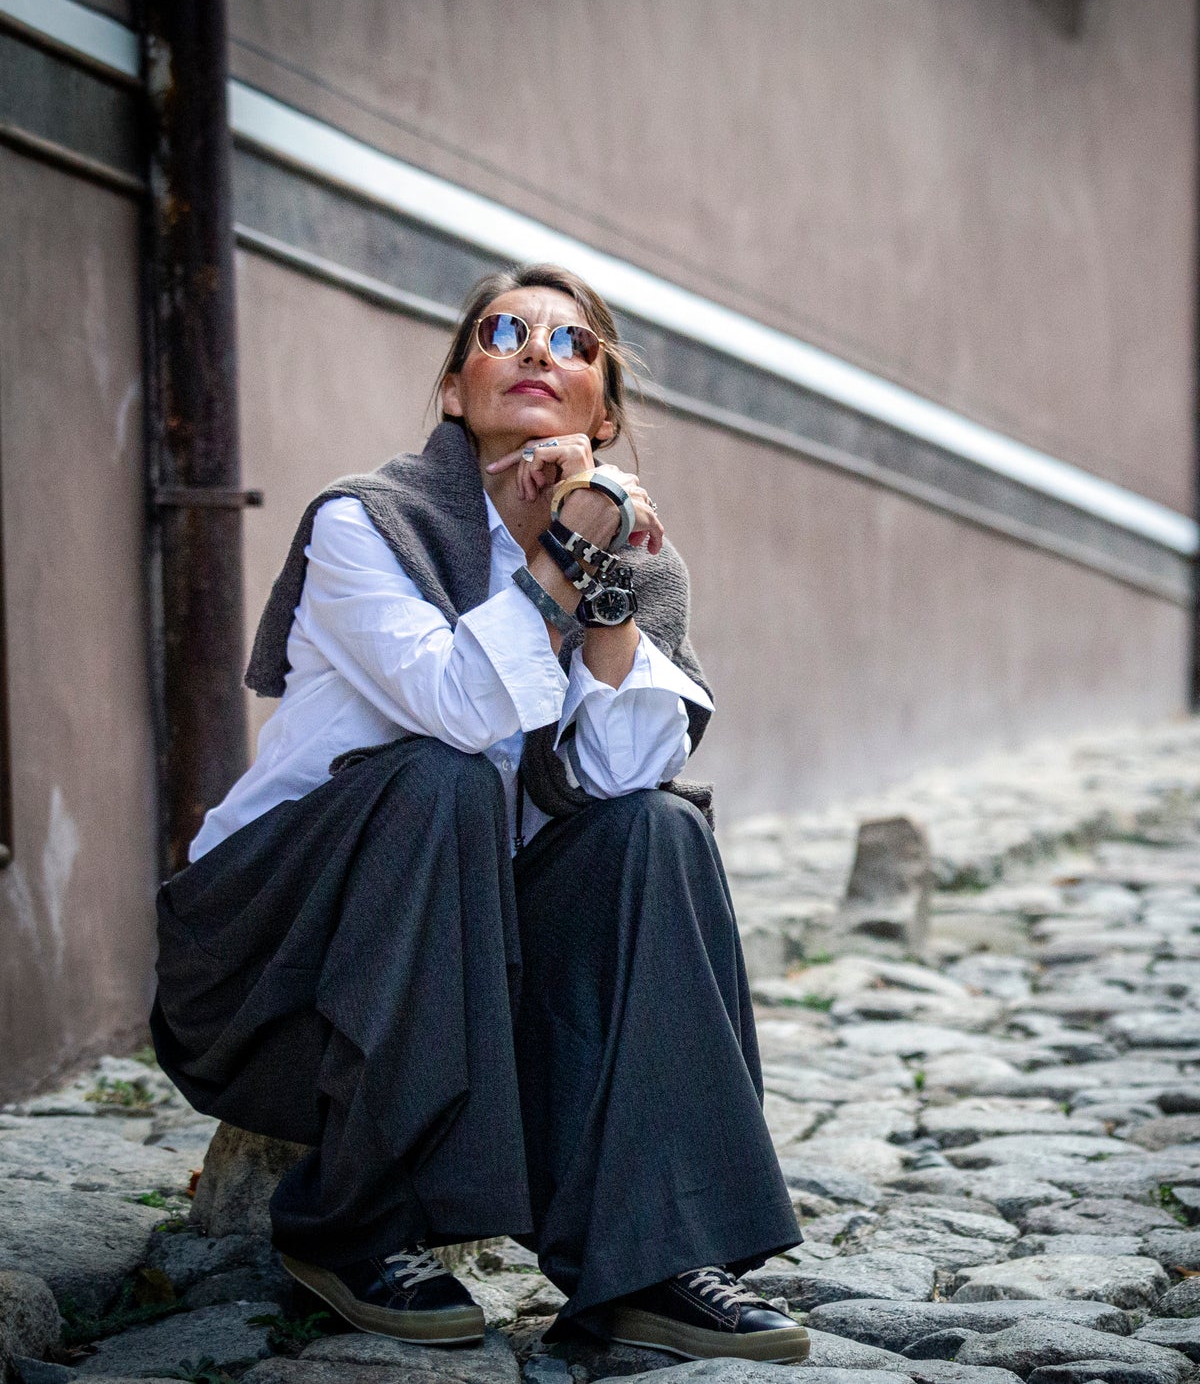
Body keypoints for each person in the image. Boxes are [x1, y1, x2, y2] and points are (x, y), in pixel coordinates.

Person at [149, 262, 807, 1360]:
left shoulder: (629, 555)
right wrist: (555, 562)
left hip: (462, 975)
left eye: (574, 344)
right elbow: (456, 707)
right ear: (456, 388)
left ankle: (646, 1258)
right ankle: (354, 1224)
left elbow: (621, 772)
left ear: (603, 413)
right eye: (507, 331)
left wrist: (603, 589)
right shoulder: (370, 525)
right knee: (441, 776)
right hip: (270, 965)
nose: (540, 351)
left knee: (657, 829)